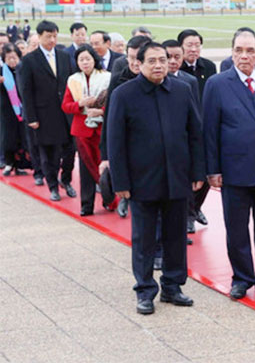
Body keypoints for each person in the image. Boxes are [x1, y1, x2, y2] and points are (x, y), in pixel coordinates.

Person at [108, 41, 205, 315]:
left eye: (163, 60)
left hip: (177, 177)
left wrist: (198, 171)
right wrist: (121, 182)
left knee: (176, 235)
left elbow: (195, 134)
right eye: (152, 61)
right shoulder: (125, 94)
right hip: (142, 180)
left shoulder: (182, 90)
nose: (159, 65)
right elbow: (115, 142)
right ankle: (145, 290)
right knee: (144, 239)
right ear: (139, 64)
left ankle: (173, 286)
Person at [204, 28, 255, 300]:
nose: (244, 56)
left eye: (250, 50)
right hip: (233, 170)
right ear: (232, 53)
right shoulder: (217, 84)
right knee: (237, 230)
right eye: (239, 50)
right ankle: (241, 278)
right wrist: (212, 169)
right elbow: (210, 130)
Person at [16, 20, 75, 202]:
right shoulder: (29, 60)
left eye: (54, 36)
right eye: (48, 36)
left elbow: (71, 83)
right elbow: (26, 91)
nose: (52, 40)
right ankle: (52, 186)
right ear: (39, 36)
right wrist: (31, 117)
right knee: (49, 153)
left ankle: (66, 180)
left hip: (66, 113)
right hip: (44, 114)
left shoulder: (64, 57)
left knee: (70, 151)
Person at [101, 34, 153, 219]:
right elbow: (109, 120)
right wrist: (105, 156)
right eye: (129, 57)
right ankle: (125, 198)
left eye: (137, 58)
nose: (133, 63)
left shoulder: (160, 78)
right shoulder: (118, 81)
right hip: (127, 141)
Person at [61, 44, 113, 216]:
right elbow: (66, 106)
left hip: (102, 129)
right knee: (86, 169)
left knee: (105, 166)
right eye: (81, 59)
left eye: (88, 59)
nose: (85, 63)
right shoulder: (73, 80)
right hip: (82, 130)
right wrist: (80, 104)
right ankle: (87, 204)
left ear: (94, 60)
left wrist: (100, 111)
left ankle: (110, 199)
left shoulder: (107, 77)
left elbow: (114, 104)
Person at [178, 29, 216, 232]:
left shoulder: (208, 66)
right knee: (188, 175)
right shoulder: (176, 68)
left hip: (205, 126)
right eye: (189, 45)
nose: (193, 49)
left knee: (207, 171)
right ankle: (188, 214)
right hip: (185, 129)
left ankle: (197, 207)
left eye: (197, 45)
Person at [1, 44, 30, 177]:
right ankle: (8, 163)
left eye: (14, 58)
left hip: (23, 109)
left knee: (22, 137)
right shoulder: (2, 72)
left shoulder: (24, 70)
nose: (12, 61)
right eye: (8, 58)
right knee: (8, 138)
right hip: (7, 110)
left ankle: (19, 165)